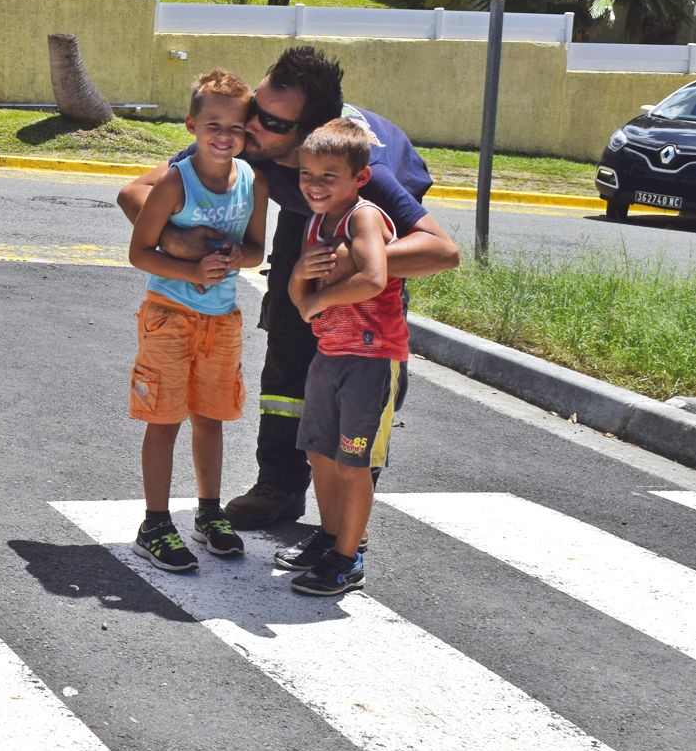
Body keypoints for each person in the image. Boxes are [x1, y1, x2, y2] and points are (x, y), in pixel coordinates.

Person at [115, 47, 460, 530]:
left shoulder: (363, 174)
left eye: (272, 124)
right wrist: (175, 240)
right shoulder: (248, 142)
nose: (249, 128)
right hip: (306, 217)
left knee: (359, 356)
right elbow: (136, 191)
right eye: (255, 109)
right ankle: (278, 485)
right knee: (286, 344)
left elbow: (440, 250)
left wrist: (352, 258)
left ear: (306, 136)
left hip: (362, 230)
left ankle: (344, 525)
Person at [125, 69, 270, 571]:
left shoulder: (253, 181)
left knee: (211, 417)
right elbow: (140, 252)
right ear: (191, 124)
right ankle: (156, 522)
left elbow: (256, 249)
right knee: (164, 419)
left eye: (235, 127)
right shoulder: (175, 181)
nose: (224, 135)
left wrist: (237, 257)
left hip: (222, 319)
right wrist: (190, 268)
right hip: (170, 315)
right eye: (213, 124)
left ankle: (209, 512)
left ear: (247, 132)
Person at [278, 119, 410, 596]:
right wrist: (298, 275)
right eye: (306, 173)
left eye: (328, 175)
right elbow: (301, 295)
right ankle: (330, 537)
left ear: (359, 178)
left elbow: (374, 278)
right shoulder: (317, 222)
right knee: (320, 453)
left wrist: (317, 302)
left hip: (370, 360)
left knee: (353, 462)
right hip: (330, 354)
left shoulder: (364, 217)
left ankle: (347, 559)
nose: (314, 184)